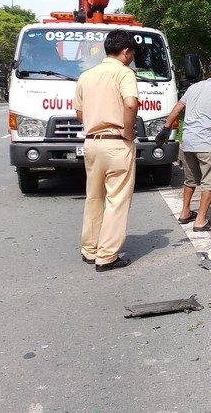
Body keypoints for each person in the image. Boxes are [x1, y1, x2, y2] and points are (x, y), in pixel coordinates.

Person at [74, 29, 140, 272]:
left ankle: (89, 249)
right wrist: (127, 131)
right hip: (116, 143)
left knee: (94, 197)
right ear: (126, 51)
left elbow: (79, 113)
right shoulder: (124, 73)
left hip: (92, 142)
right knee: (117, 200)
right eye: (132, 53)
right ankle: (107, 256)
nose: (132, 58)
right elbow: (131, 103)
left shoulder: (87, 76)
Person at [157, 57, 211, 232]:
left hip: (188, 142)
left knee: (191, 179)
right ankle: (200, 220)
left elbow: (178, 107)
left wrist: (165, 128)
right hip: (205, 143)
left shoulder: (194, 87)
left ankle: (185, 212)